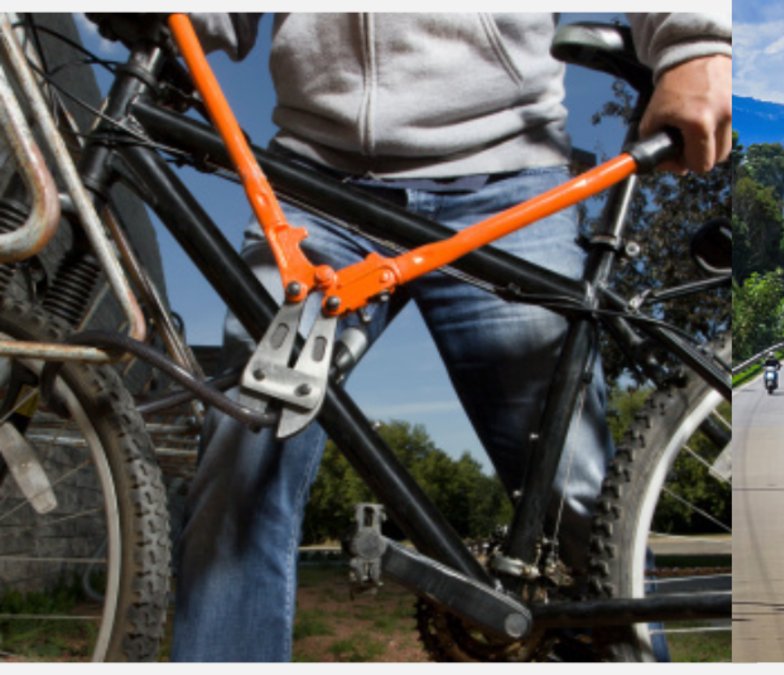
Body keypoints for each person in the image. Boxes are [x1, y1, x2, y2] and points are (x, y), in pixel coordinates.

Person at [168, 12, 732, 662]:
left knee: (580, 503)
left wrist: (696, 41)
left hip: (508, 177)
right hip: (310, 186)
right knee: (244, 448)